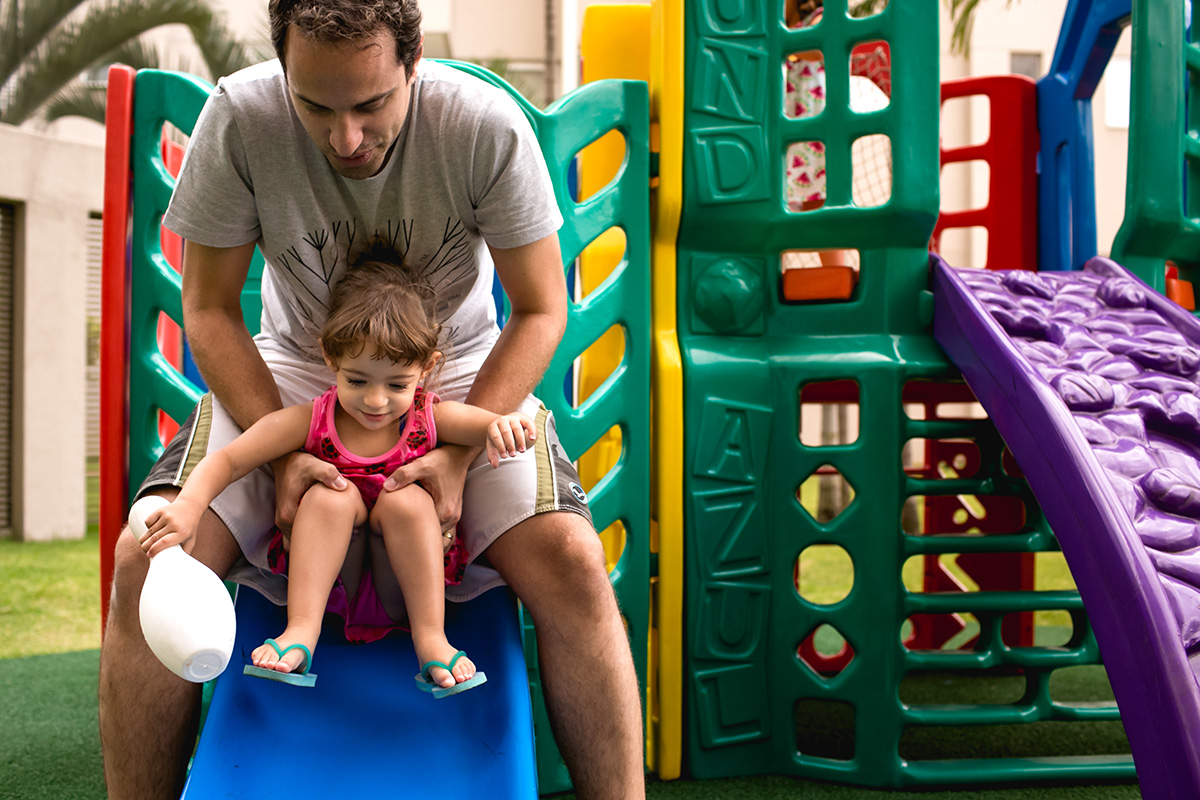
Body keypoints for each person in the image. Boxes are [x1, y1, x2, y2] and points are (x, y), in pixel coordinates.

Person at [98, 0, 645, 797]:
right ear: (283, 66)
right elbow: (210, 310)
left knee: (572, 559)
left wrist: (456, 457)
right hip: (292, 373)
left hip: (449, 374)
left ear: (413, 65)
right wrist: (286, 454)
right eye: (314, 105)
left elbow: (541, 309)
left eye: (370, 106)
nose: (344, 139)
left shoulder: (481, 125)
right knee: (143, 562)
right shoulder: (241, 116)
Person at [137, 254, 535, 691]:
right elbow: (231, 458)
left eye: (397, 385)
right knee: (329, 494)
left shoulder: (428, 416)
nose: (376, 401)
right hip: (329, 587)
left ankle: (432, 640)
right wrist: (190, 507)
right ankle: (300, 632)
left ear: (425, 368)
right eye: (358, 381)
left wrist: (504, 425)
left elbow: (485, 423)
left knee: (408, 500)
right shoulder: (313, 419)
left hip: (401, 586)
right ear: (331, 359)